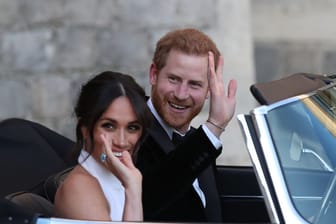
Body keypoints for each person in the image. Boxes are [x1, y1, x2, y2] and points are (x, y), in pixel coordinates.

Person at [136, 28, 237, 222]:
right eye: (173, 79)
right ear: (154, 75)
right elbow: (149, 200)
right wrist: (215, 126)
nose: (181, 94)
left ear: (209, 90)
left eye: (195, 84)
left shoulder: (197, 141)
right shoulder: (130, 131)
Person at [54, 71, 152, 222]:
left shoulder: (120, 179)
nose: (121, 141)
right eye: (109, 126)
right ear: (85, 129)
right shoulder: (79, 187)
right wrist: (133, 190)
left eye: (132, 128)